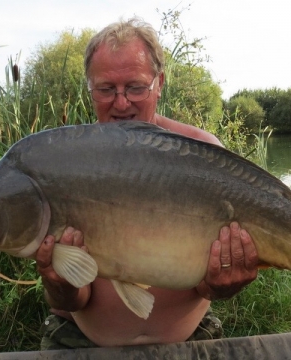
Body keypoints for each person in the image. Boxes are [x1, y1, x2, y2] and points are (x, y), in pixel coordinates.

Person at [36, 17, 259, 349]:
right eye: (106, 89)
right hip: (79, 342)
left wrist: (222, 284)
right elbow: (73, 299)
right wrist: (59, 283)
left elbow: (208, 289)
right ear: (90, 88)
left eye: (136, 87)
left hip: (191, 340)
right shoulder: (64, 166)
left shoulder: (205, 155)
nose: (122, 103)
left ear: (159, 83)